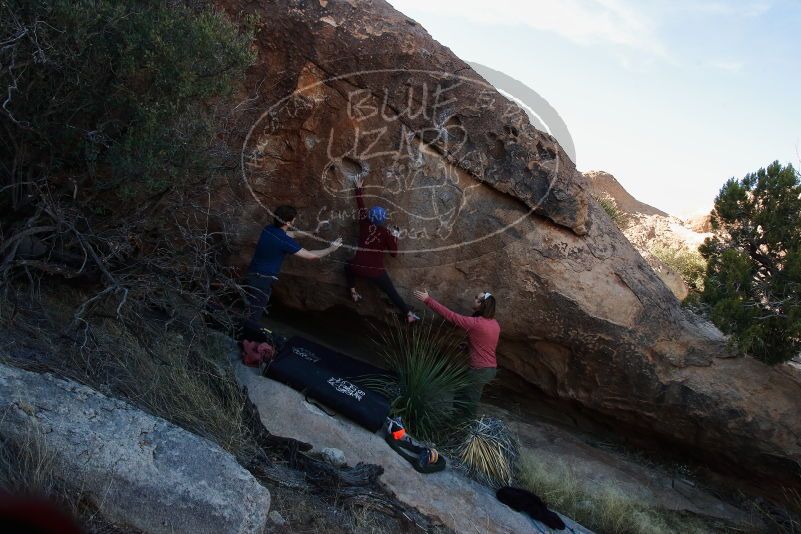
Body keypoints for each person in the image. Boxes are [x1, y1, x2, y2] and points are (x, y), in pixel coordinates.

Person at [246, 205, 342, 321]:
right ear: (288, 222)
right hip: (262, 280)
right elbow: (310, 255)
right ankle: (245, 336)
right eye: (293, 219)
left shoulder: (269, 229)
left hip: (251, 274)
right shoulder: (283, 240)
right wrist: (331, 249)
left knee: (249, 309)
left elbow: (294, 234)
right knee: (253, 315)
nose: (294, 221)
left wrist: (314, 232)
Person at [413, 288, 499, 416]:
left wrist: (428, 300)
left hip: (479, 371)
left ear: (483, 305)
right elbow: (486, 344)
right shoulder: (494, 324)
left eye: (477, 298)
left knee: (468, 403)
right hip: (488, 369)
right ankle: (456, 424)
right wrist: (468, 346)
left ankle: (464, 430)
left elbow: (451, 316)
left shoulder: (476, 324)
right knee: (461, 395)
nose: (474, 299)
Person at [345, 177, 420, 324]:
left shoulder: (364, 223)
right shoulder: (386, 233)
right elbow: (393, 254)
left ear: (370, 217)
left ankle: (353, 292)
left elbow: (360, 206)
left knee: (347, 266)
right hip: (375, 272)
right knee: (391, 292)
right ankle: (408, 314)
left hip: (357, 267)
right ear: (384, 219)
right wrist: (395, 236)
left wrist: (358, 189)